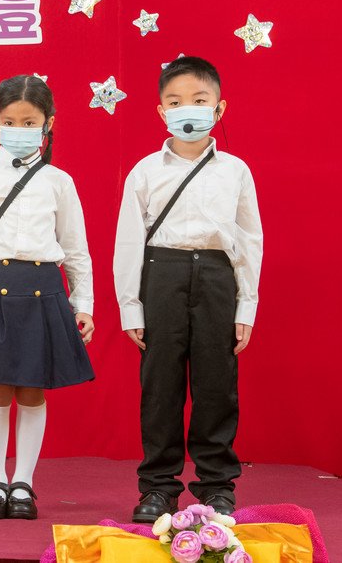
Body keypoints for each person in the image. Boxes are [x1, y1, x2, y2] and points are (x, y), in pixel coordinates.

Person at [114, 56, 263, 522]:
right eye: (176, 102)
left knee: (217, 386)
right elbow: (129, 242)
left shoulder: (235, 171)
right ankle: (158, 488)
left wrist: (246, 305)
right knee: (160, 387)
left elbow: (249, 240)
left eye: (199, 99)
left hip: (218, 277)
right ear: (161, 111)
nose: (188, 110)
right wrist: (130, 306)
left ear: (220, 107)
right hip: (162, 273)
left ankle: (217, 487)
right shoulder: (144, 171)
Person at [0, 74, 94, 520]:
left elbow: (76, 248)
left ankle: (24, 482)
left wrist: (84, 304)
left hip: (43, 288)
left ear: (48, 123)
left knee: (32, 388)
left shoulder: (59, 181)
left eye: (29, 122)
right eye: (9, 121)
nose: (18, 130)